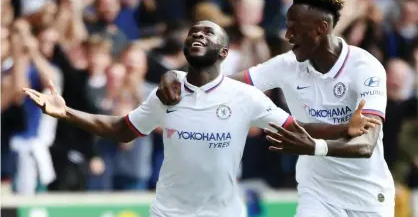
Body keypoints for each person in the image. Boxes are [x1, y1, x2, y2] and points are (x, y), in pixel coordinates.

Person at [23, 20, 378, 217]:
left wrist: (343, 128)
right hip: (169, 212)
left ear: (224, 53)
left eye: (208, 33)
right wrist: (64, 111)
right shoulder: (168, 92)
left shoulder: (245, 97)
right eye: (193, 31)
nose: (198, 34)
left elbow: (295, 128)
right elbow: (121, 129)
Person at [157, 0, 395, 217]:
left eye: (295, 28)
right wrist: (176, 76)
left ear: (321, 28)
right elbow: (221, 84)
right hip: (318, 194)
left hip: (367, 196)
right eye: (287, 26)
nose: (287, 35)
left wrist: (314, 147)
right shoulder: (287, 65)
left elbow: (366, 144)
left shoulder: (364, 67)